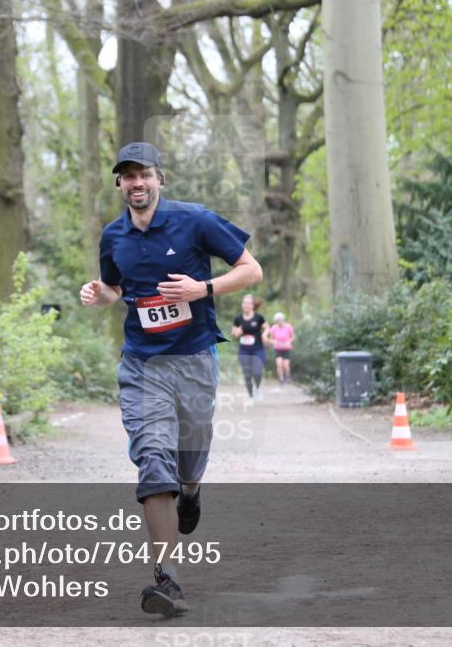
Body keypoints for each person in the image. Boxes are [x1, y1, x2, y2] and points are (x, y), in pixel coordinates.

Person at [80, 142, 262, 618]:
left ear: (160, 179)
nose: (136, 182)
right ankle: (167, 579)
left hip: (194, 359)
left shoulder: (195, 220)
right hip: (142, 365)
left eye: (145, 174)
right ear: (119, 183)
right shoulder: (113, 236)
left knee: (188, 459)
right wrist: (99, 293)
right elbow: (116, 289)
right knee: (152, 460)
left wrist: (202, 288)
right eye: (127, 175)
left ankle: (192, 491)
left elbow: (251, 269)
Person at [231, 294, 268, 405]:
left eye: (248, 303)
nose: (246, 305)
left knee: (257, 372)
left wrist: (265, 335)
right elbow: (234, 334)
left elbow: (267, 327)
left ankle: (258, 387)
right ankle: (250, 396)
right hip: (244, 350)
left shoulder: (259, 318)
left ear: (252, 306)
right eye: (244, 303)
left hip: (258, 349)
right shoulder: (238, 319)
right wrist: (238, 332)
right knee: (247, 373)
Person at [267, 312, 295, 384]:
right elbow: (270, 339)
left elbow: (293, 337)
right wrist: (275, 342)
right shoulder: (274, 328)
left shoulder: (288, 327)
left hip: (286, 348)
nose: (279, 322)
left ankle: (288, 376)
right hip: (278, 348)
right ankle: (281, 379)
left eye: (280, 320)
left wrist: (288, 341)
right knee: (279, 364)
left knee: (286, 365)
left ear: (283, 320)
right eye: (277, 321)